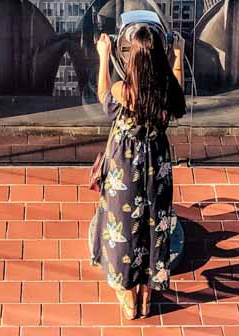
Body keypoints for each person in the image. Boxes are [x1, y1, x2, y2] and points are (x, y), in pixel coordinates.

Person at [89, 24, 186, 320]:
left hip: (126, 166)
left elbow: (103, 94)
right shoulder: (166, 91)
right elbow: (178, 89)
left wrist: (104, 55)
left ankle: (128, 297)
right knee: (153, 225)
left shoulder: (124, 91)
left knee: (123, 226)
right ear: (159, 56)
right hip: (156, 163)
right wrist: (178, 55)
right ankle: (146, 294)